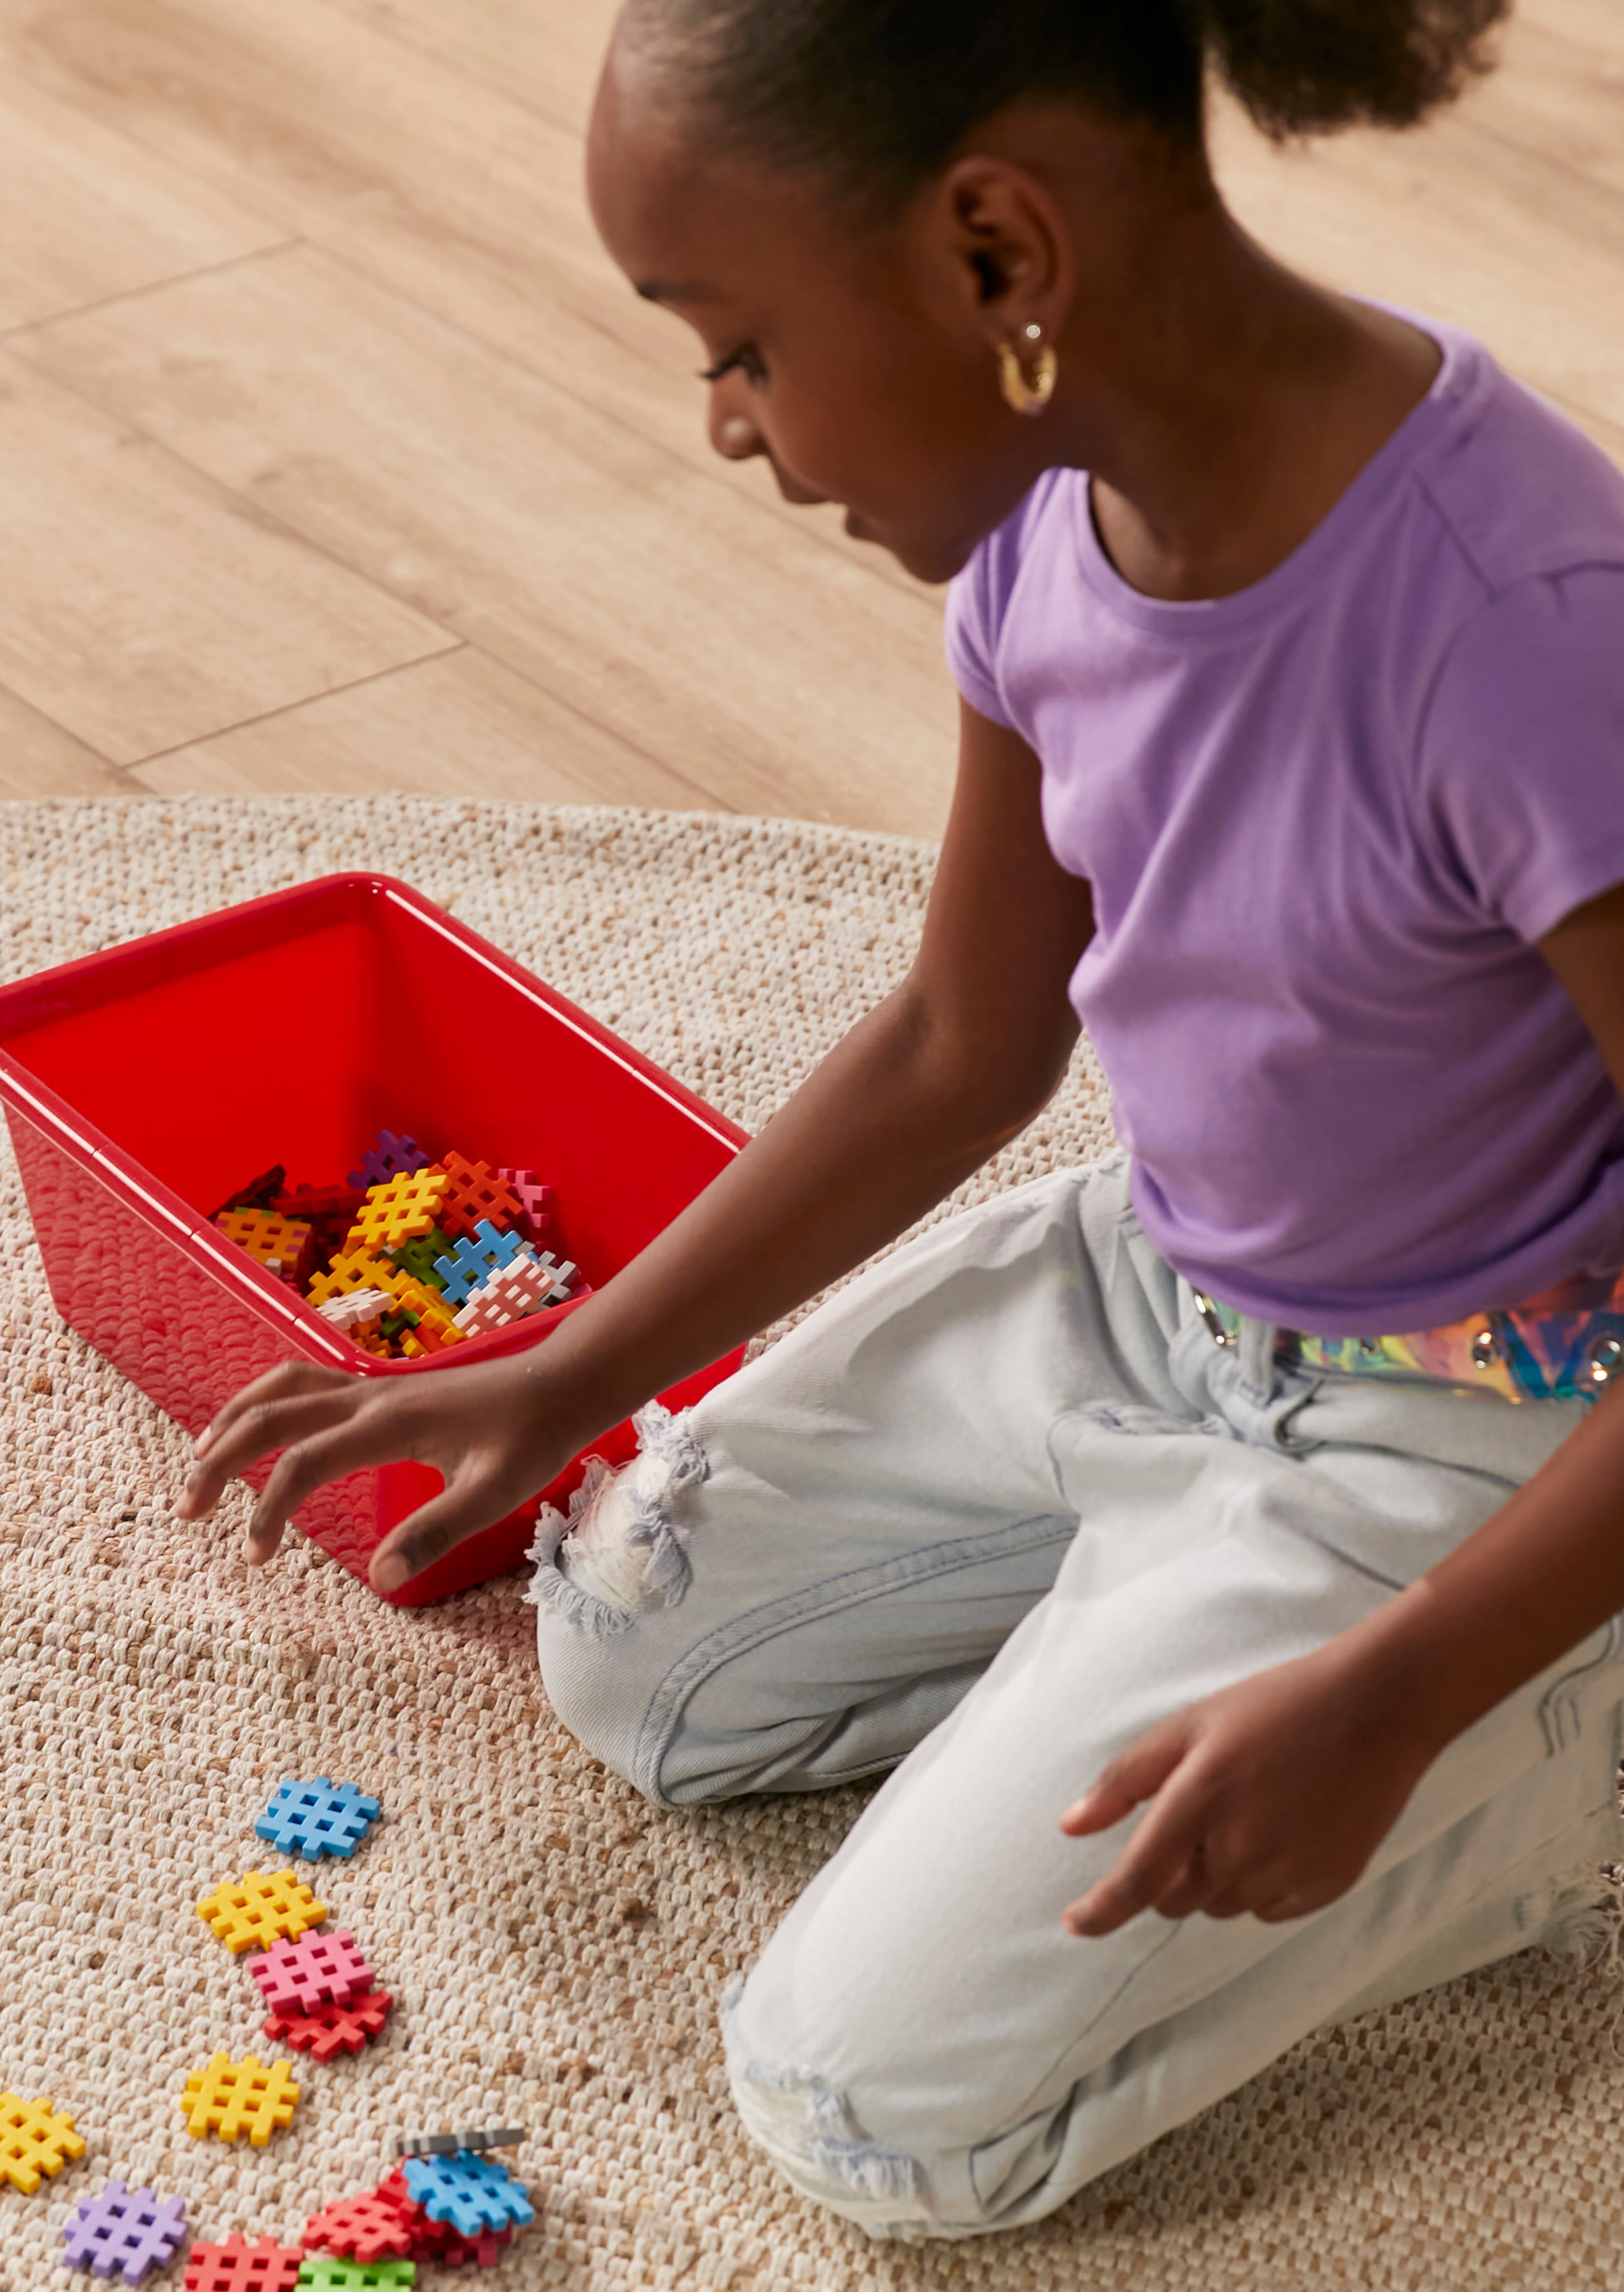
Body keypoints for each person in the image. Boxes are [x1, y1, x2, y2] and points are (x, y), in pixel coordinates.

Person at [176, 0, 1624, 2238]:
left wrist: (1393, 1692)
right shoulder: (1056, 531)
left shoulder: (1534, 632)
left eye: (734, 342)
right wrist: (575, 1365)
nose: (726, 430)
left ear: (986, 251)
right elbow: (965, 1032)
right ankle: (1175, 1601)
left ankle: (1530, 1754)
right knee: (632, 1651)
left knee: (863, 2105)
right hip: (1166, 1291)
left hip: (1481, 1407)